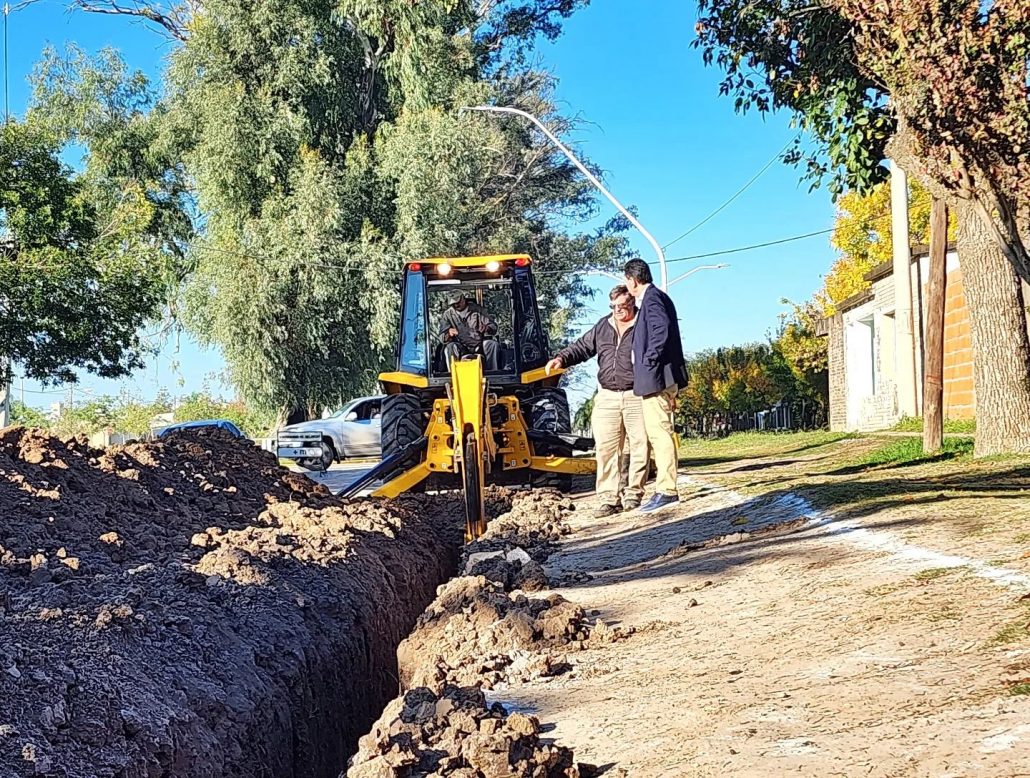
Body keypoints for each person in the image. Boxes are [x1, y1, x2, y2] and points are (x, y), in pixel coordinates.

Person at [545, 285, 648, 517]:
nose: (617, 311)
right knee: (605, 449)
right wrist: (561, 358)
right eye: (613, 307)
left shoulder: (644, 325)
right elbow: (582, 347)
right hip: (607, 396)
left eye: (622, 306)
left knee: (640, 445)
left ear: (632, 303)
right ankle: (608, 498)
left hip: (637, 394)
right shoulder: (603, 325)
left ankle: (633, 494)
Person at [623, 258, 688, 513]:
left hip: (658, 378)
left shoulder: (652, 300)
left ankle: (667, 489)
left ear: (633, 279)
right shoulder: (655, 298)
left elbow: (661, 330)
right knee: (658, 432)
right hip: (657, 377)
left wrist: (649, 361)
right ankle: (664, 487)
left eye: (626, 280)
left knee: (659, 433)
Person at [440, 291, 501, 370]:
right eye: (453, 304)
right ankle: (453, 375)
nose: (456, 305)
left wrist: (487, 328)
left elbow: (493, 327)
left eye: (458, 302)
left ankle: (493, 374)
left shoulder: (478, 310)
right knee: (449, 347)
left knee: (492, 344)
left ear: (463, 298)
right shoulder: (447, 315)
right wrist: (448, 333)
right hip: (461, 347)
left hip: (480, 346)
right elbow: (442, 338)